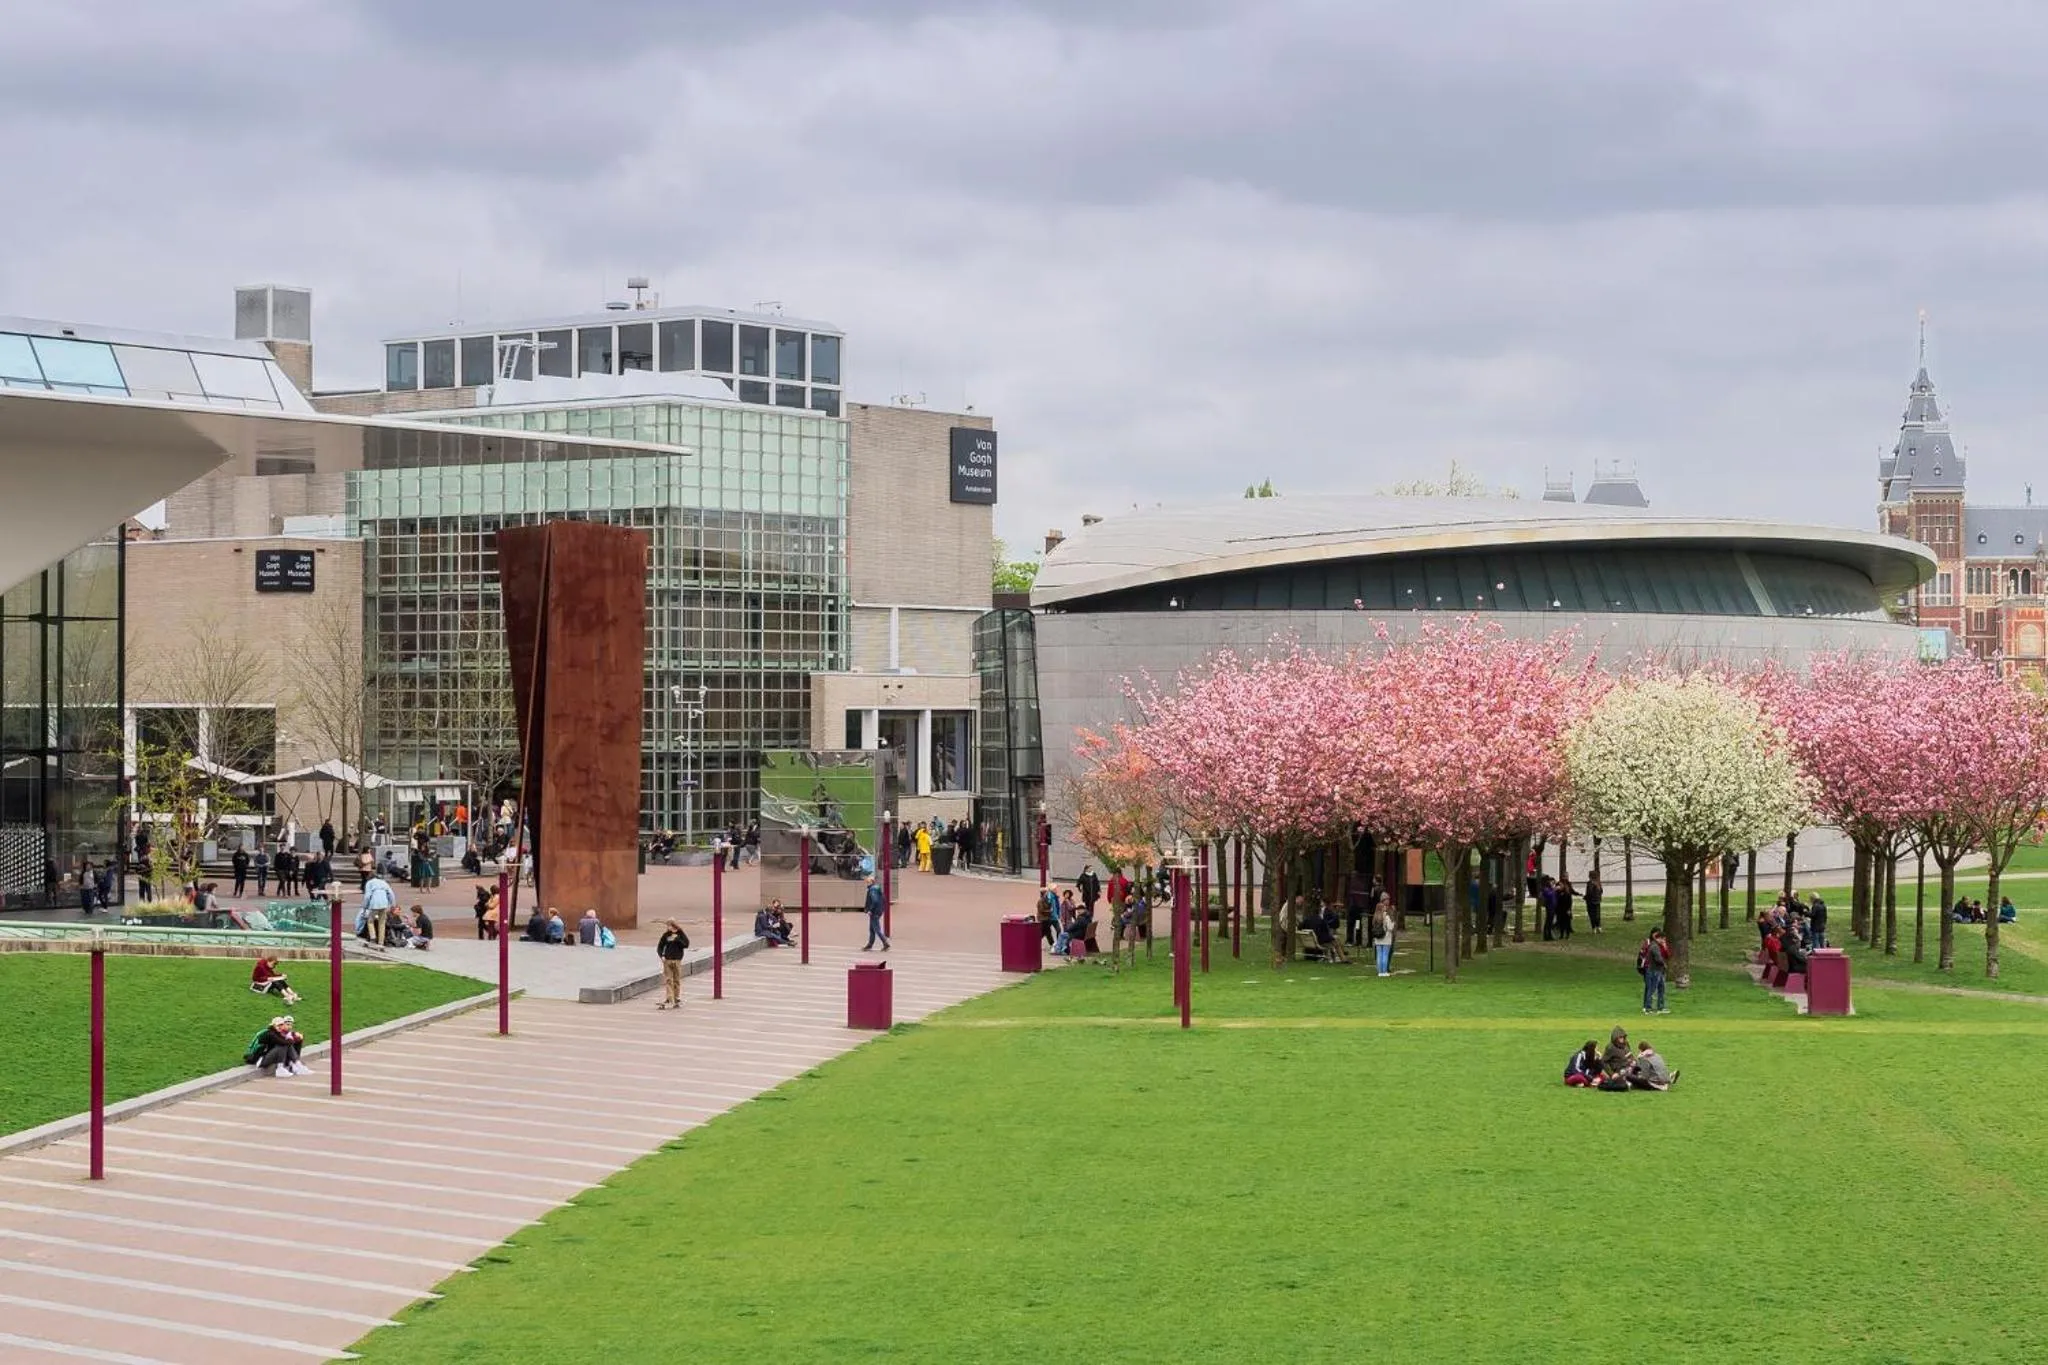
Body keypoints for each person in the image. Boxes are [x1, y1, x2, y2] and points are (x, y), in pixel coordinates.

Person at [655, 919, 691, 1009]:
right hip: (667, 960)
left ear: (673, 926)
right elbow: (660, 946)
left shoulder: (680, 934)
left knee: (676, 980)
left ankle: (677, 997)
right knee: (668, 979)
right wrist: (661, 956)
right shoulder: (666, 935)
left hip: (677, 960)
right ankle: (669, 998)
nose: (668, 928)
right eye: (667, 926)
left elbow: (686, 945)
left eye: (669, 926)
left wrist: (677, 939)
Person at [1638, 928, 1670, 1014]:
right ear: (1658, 938)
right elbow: (1658, 959)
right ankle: (1648, 1008)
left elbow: (1666, 955)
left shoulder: (1656, 945)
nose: (1664, 941)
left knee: (1661, 988)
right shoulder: (1654, 946)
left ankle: (1660, 1007)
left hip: (1657, 970)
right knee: (1651, 989)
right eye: (1663, 939)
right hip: (1654, 970)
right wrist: (1664, 964)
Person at [361, 872, 396, 949]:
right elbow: (391, 894)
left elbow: (367, 896)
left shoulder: (369, 883)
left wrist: (365, 907)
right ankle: (381, 941)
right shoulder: (384, 882)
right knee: (382, 922)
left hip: (374, 903)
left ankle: (373, 937)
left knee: (370, 921)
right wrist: (393, 905)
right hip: (384, 903)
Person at [1370, 895, 1396, 976]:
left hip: (1377, 938)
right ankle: (1384, 971)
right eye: (1384, 907)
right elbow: (1390, 928)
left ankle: (1379, 971)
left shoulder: (1375, 917)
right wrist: (1393, 922)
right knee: (1385, 954)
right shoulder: (1386, 917)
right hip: (1386, 937)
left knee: (1379, 955)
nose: (1385, 907)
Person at [863, 875, 890, 951]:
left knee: (876, 929)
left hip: (874, 912)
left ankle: (885, 943)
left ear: (871, 882)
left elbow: (875, 901)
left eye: (868, 882)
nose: (867, 883)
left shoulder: (872, 890)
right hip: (878, 910)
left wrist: (870, 910)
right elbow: (883, 899)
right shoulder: (877, 888)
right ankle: (870, 944)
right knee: (872, 929)